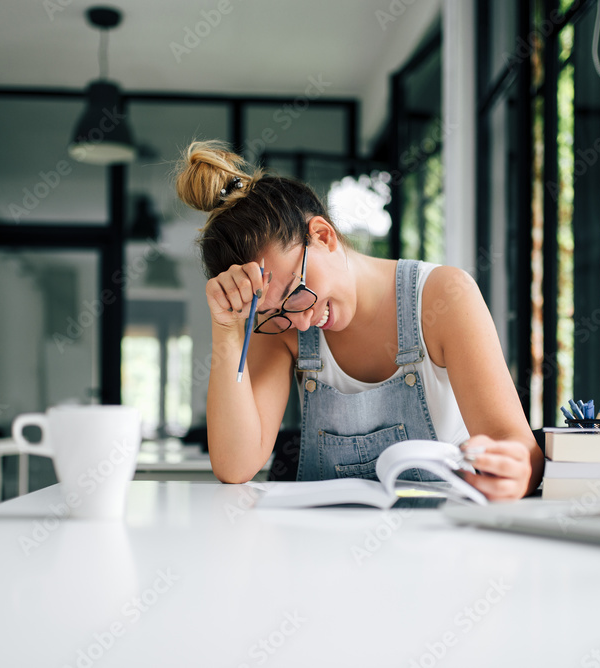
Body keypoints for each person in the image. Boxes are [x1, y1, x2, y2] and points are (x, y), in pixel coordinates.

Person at [175, 140, 543, 500]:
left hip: (439, 545)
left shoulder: (445, 296)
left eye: (295, 292)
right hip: (325, 552)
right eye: (274, 315)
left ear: (322, 235)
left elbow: (516, 444)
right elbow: (235, 467)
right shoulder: (282, 324)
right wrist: (227, 329)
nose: (301, 323)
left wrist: (518, 471)